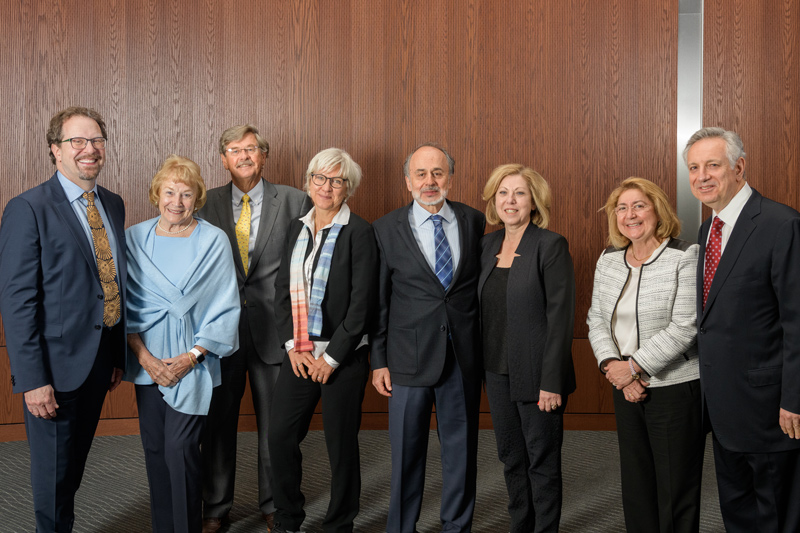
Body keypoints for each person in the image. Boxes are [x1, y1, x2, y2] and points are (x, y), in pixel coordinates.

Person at [0, 106, 126, 532]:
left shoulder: (112, 203)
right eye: (77, 141)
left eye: (96, 141)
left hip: (97, 362)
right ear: (55, 150)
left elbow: (110, 282)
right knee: (52, 480)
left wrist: (116, 355)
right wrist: (32, 379)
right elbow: (17, 301)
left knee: (72, 472)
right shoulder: (28, 208)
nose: (89, 150)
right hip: (52, 370)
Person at [685, 127, 800, 532]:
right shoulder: (707, 230)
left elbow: (796, 321)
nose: (702, 176)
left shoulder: (781, 224)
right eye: (694, 168)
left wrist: (795, 399)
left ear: (739, 167)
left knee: (774, 512)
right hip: (723, 406)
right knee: (737, 509)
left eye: (713, 165)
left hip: (771, 410)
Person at [199, 124, 311, 532]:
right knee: (217, 427)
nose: (244, 156)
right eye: (235, 149)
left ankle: (276, 505)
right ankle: (214, 508)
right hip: (219, 335)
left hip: (277, 334)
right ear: (223, 158)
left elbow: (310, 270)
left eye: (251, 149)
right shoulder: (203, 202)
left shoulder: (297, 201)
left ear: (264, 155)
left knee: (277, 430)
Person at [371, 143, 485, 533]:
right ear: (408, 181)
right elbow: (379, 302)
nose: (429, 181)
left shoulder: (475, 221)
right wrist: (378, 360)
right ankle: (401, 528)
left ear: (450, 178)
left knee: (461, 452)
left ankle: (457, 527)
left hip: (462, 357)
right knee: (406, 454)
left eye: (437, 173)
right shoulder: (385, 228)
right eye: (421, 174)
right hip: (406, 359)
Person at [125, 155, 240, 532]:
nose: (177, 201)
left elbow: (226, 305)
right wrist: (145, 358)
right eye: (170, 192)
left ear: (198, 198)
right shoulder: (134, 238)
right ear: (157, 193)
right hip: (147, 362)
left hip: (193, 362)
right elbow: (121, 305)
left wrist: (191, 358)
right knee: (156, 452)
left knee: (181, 451)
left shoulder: (214, 241)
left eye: (186, 194)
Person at [269, 148, 377, 533]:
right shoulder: (297, 228)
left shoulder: (361, 232)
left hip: (341, 358)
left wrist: (329, 358)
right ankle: (287, 517)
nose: (326, 187)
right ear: (309, 181)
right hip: (298, 353)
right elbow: (282, 291)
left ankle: (339, 524)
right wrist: (291, 346)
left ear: (348, 188)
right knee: (280, 434)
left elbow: (363, 305)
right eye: (320, 178)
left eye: (336, 180)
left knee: (340, 446)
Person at [587, 177, 703, 532]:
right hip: (624, 386)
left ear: (657, 210)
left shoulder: (684, 255)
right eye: (622, 208)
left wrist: (633, 368)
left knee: (675, 487)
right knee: (636, 484)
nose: (630, 214)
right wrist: (613, 367)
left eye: (639, 205)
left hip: (674, 387)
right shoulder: (608, 259)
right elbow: (596, 320)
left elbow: (685, 326)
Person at [477, 164, 576, 533]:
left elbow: (561, 319)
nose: (510, 200)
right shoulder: (486, 246)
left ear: (534, 201)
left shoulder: (550, 245)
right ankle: (521, 526)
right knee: (511, 458)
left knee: (542, 461)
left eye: (519, 193)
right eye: (503, 193)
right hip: (496, 371)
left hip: (537, 376)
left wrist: (551, 381)